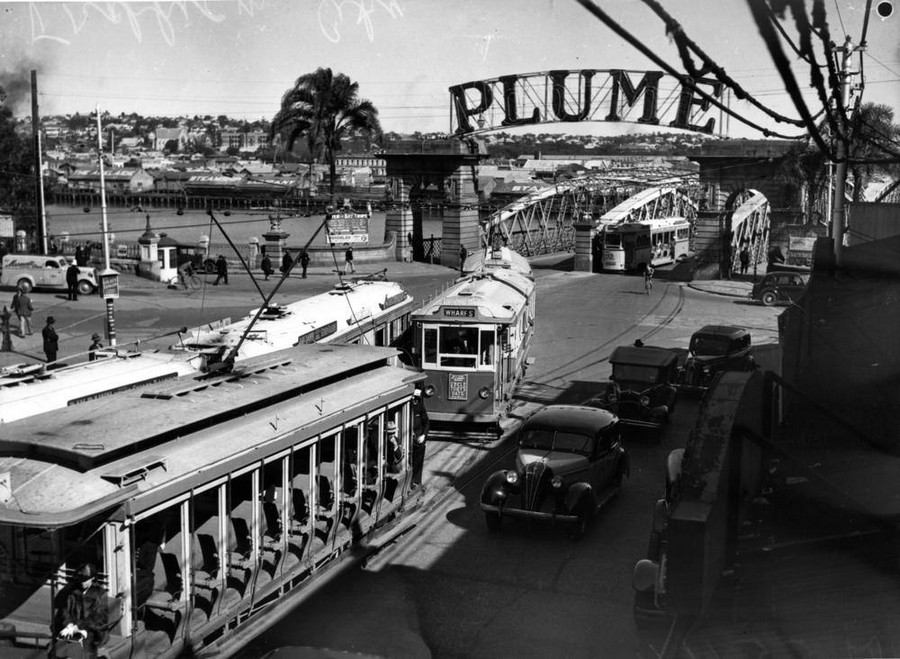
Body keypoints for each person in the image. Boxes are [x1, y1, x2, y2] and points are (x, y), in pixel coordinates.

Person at [55, 563, 109, 658]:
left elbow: (100, 618)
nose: (82, 583)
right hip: (74, 629)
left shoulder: (100, 594)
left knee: (86, 649)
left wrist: (79, 626)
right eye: (81, 580)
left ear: (92, 578)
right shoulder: (73, 592)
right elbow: (66, 611)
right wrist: (69, 624)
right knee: (59, 644)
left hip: (93, 631)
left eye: (85, 580)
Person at [411, 389, 430, 486]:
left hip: (419, 438)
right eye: (414, 399)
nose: (415, 401)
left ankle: (417, 481)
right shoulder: (409, 408)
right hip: (409, 438)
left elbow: (426, 423)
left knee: (418, 460)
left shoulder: (420, 407)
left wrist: (423, 435)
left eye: (417, 399)